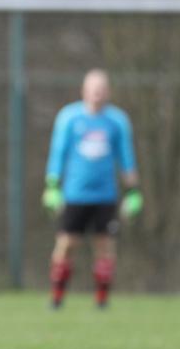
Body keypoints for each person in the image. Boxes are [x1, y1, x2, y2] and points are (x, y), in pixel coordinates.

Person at [42, 69, 143, 309]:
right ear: (84, 91)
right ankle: (56, 297)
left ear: (108, 92)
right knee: (65, 245)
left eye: (101, 89)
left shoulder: (117, 121)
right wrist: (52, 186)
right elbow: (58, 153)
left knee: (105, 248)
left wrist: (133, 191)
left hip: (105, 195)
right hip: (75, 194)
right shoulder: (69, 117)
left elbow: (126, 158)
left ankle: (102, 299)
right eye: (93, 89)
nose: (97, 94)